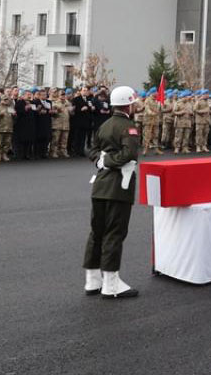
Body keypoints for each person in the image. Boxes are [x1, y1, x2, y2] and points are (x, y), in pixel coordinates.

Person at [83, 85, 142, 299]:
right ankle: (111, 284)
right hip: (118, 186)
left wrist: (100, 160)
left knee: (96, 232)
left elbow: (90, 148)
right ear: (128, 105)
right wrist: (109, 160)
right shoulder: (128, 126)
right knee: (114, 233)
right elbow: (130, 153)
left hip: (100, 185)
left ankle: (92, 280)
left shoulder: (105, 125)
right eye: (134, 103)